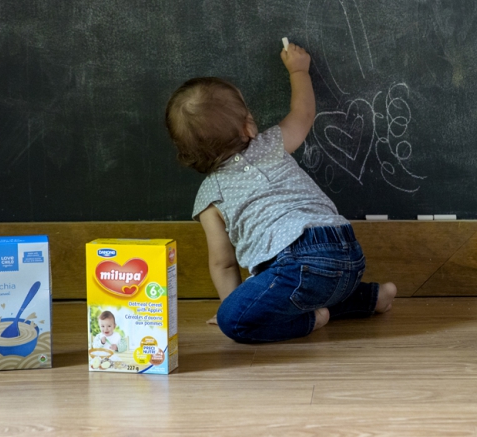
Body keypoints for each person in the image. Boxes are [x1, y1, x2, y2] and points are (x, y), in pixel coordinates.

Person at [165, 41, 397, 343]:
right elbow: (303, 114)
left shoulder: (210, 197)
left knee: (231, 322)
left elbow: (223, 263)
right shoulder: (271, 144)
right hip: (346, 249)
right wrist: (298, 71)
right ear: (248, 128)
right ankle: (371, 297)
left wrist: (235, 307)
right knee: (305, 287)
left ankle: (313, 320)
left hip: (296, 263)